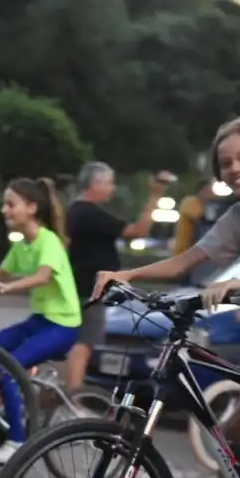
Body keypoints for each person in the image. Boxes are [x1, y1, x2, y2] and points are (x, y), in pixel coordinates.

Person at [92, 115, 240, 478]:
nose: (235, 168)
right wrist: (129, 275)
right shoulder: (237, 217)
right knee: (234, 442)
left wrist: (238, 284)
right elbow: (188, 261)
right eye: (226, 162)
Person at [0, 178, 80, 464]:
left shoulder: (47, 240)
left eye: (10, 204)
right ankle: (19, 400)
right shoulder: (21, 246)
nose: (4, 210)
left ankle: (16, 440)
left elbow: (42, 277)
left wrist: (6, 288)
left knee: (7, 370)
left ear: (31, 208)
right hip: (40, 320)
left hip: (63, 325)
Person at [61, 163, 167, 402]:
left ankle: (70, 395)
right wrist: (155, 196)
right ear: (95, 183)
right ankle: (73, 398)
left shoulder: (76, 210)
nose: (112, 188)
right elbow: (138, 231)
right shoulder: (90, 213)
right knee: (84, 343)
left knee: (81, 343)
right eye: (109, 183)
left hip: (80, 286)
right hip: (91, 288)